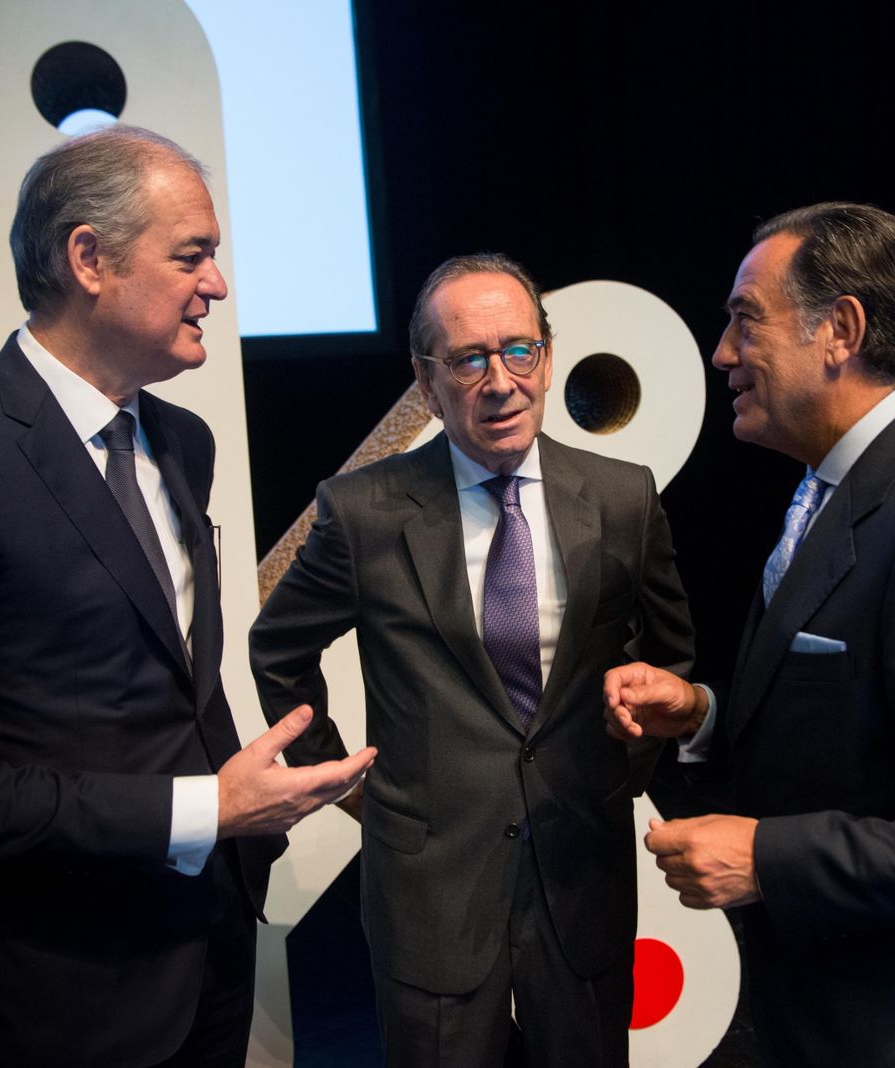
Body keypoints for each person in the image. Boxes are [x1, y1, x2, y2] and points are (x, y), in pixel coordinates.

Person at [0, 125, 375, 1066]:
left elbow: (171, 685)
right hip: (61, 994)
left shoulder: (182, 443)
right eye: (192, 256)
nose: (217, 285)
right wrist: (207, 810)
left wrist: (253, 809)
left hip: (212, 948)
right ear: (88, 259)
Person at [603, 203, 895, 1066]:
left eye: (745, 319)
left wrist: (767, 859)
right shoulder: (833, 487)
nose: (722, 353)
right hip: (832, 1016)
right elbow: (863, 731)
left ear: (842, 330)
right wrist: (706, 715)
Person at [248, 253, 695, 1067]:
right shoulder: (363, 512)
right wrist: (351, 784)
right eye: (469, 359)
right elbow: (278, 648)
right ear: (426, 380)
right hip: (430, 885)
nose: (501, 381)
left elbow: (670, 660)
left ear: (548, 357)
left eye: (519, 350)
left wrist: (623, 768)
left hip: (580, 868)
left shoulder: (624, 495)